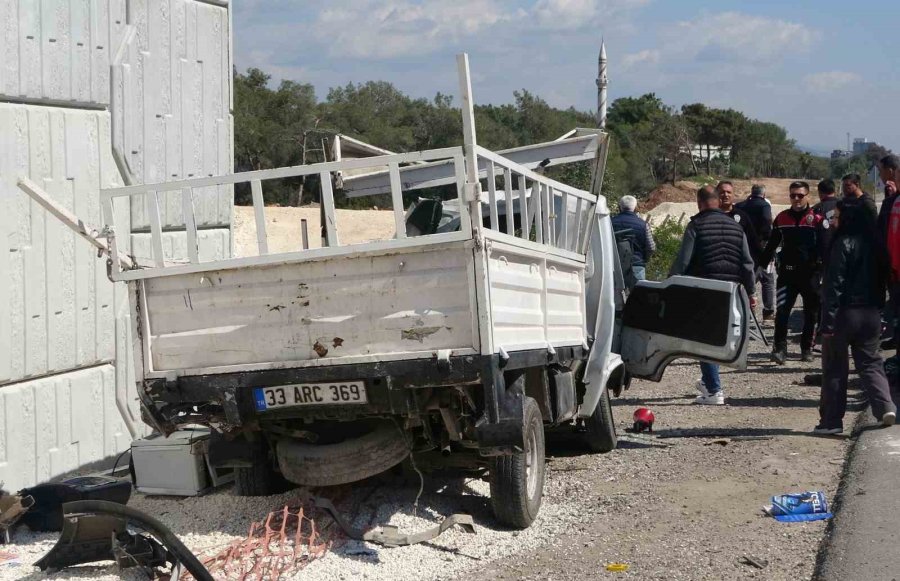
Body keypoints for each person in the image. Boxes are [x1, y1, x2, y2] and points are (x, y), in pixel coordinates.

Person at [669, 185, 756, 405]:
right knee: (719, 335)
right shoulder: (736, 227)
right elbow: (747, 263)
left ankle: (714, 390)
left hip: (705, 288)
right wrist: (751, 292)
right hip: (732, 289)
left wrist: (670, 284)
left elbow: (683, 261)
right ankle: (709, 383)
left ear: (699, 203)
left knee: (704, 339)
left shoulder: (696, 225)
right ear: (718, 201)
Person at [817, 198, 897, 434]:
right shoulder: (876, 244)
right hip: (871, 314)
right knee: (871, 362)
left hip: (844, 314)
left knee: (835, 367)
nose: (834, 221)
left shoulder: (842, 243)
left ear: (848, 219)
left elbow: (834, 285)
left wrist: (827, 322)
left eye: (837, 217)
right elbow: (885, 281)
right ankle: (885, 406)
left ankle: (831, 422)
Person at [761, 181, 823, 364]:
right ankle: (779, 349)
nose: (796, 199)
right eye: (793, 195)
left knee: (811, 313)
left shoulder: (817, 219)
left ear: (808, 196)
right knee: (782, 312)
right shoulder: (781, 218)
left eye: (800, 195)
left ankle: (807, 349)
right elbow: (771, 245)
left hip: (811, 276)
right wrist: (759, 266)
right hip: (787, 276)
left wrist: (825, 269)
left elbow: (825, 246)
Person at [737, 184, 775, 320]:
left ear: (751, 193)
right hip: (761, 247)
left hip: (743, 246)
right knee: (768, 279)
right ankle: (768, 313)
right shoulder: (764, 206)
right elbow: (767, 221)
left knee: (745, 277)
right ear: (763, 194)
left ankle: (743, 309)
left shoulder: (740, 205)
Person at [611, 195, 655, 281]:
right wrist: (644, 259)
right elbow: (651, 247)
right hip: (637, 266)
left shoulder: (611, 222)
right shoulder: (643, 225)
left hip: (614, 265)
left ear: (619, 207)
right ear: (635, 208)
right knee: (637, 293)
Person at [717, 181, 762, 263]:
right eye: (722, 192)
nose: (726, 195)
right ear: (716, 195)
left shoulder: (742, 216)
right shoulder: (710, 216)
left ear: (733, 195)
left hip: (737, 264)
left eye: (729, 192)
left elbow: (753, 241)